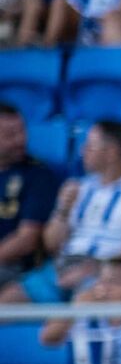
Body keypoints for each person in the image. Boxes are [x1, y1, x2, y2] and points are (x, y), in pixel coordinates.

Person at [2, 120, 121, 304]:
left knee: (81, 304)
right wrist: (63, 210)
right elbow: (52, 245)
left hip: (108, 269)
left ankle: (54, 332)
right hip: (65, 265)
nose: (83, 151)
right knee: (7, 301)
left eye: (90, 146)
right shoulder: (80, 187)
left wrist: (95, 268)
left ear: (112, 152)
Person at [0, 102, 60, 294]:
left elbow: (27, 239)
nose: (20, 140)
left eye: (22, 131)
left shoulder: (38, 175)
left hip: (14, 267)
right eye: (10, 135)